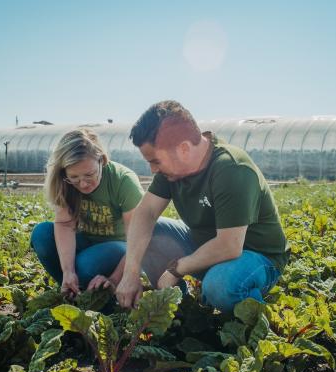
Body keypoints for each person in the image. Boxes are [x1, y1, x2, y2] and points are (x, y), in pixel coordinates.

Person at [115, 100, 290, 312]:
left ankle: (254, 325)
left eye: (155, 161)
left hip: (255, 256)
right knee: (153, 229)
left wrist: (176, 270)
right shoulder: (170, 171)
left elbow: (229, 246)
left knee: (220, 285)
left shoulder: (231, 168)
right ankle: (180, 310)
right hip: (204, 248)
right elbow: (146, 213)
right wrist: (131, 273)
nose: (153, 170)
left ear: (184, 149)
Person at [30, 129, 144, 298]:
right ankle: (72, 289)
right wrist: (68, 271)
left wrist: (114, 279)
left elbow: (138, 240)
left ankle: (102, 295)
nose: (83, 184)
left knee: (84, 266)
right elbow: (64, 224)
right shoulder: (63, 184)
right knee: (41, 234)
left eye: (89, 174)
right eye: (74, 177)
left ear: (102, 160)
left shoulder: (124, 181)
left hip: (121, 248)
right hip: (86, 243)